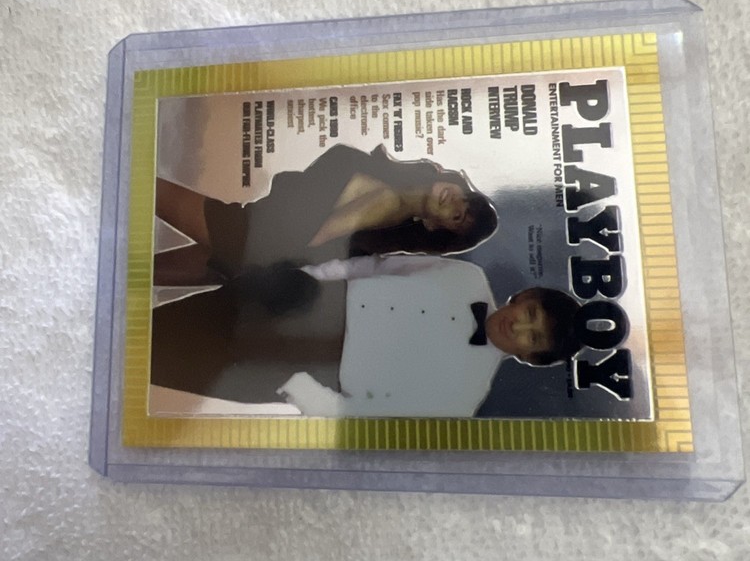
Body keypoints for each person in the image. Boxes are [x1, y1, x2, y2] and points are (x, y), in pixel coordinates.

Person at [149, 250, 582, 414]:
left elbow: (366, 419)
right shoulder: (467, 276)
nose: (518, 325)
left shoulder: (465, 396)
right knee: (181, 314)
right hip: (306, 300)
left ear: (529, 357)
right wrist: (310, 277)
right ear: (525, 296)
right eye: (530, 313)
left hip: (306, 363)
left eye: (532, 337)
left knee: (169, 366)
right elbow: (377, 266)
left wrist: (298, 385)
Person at [153, 142, 498, 288]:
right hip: (252, 247)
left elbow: (316, 239)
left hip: (251, 237)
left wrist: (260, 262)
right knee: (139, 275)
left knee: (141, 185)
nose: (456, 204)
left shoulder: (390, 202)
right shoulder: (389, 188)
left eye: (458, 217)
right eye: (465, 201)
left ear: (435, 226)